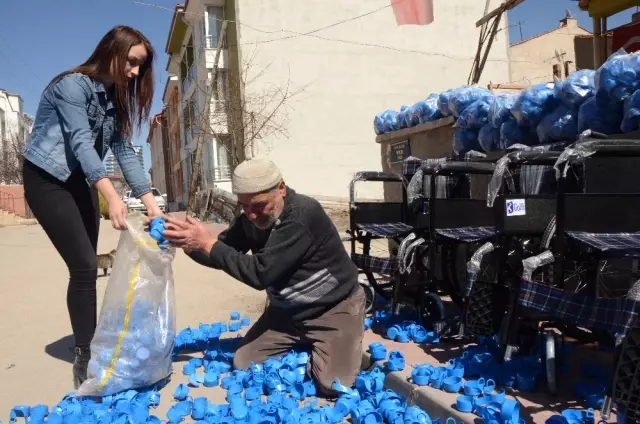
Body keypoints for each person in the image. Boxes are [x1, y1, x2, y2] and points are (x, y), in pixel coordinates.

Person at [22, 26, 163, 389]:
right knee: (85, 265)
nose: (134, 73)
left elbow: (124, 152)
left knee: (85, 269)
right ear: (112, 50)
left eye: (140, 68)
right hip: (47, 179)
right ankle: (85, 353)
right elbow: (82, 143)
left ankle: (92, 337)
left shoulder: (113, 100)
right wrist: (112, 196)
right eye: (132, 63)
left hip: (80, 182)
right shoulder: (71, 86)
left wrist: (150, 202)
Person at [162, 158, 365, 396]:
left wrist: (208, 243)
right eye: (244, 206)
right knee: (243, 363)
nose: (251, 215)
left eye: (259, 205)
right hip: (287, 314)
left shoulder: (302, 215)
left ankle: (338, 341)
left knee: (332, 385)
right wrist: (187, 242)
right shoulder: (250, 218)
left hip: (333, 308)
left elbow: (260, 273)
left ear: (281, 188)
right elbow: (223, 252)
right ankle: (311, 345)